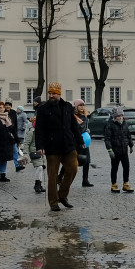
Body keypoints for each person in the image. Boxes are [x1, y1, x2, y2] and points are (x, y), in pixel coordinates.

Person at [34, 82, 84, 212]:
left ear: (59, 94)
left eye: (53, 93)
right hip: (52, 147)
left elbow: (74, 126)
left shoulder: (67, 107)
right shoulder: (43, 109)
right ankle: (53, 202)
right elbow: (39, 129)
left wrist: (80, 140)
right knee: (52, 175)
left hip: (68, 145)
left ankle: (62, 195)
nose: (51, 95)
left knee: (73, 169)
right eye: (49, 93)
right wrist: (40, 146)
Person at [103, 107, 135, 193]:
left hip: (124, 150)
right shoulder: (110, 125)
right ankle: (114, 184)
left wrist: (131, 145)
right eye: (118, 116)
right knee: (114, 168)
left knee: (126, 167)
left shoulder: (124, 123)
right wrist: (109, 150)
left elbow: (128, 135)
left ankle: (126, 184)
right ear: (114, 116)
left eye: (121, 115)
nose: (120, 117)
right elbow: (107, 139)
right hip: (115, 150)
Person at [21, 111, 45, 194]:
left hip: (43, 153)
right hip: (34, 152)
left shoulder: (44, 132)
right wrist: (25, 154)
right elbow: (26, 143)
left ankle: (40, 184)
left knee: (42, 169)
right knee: (39, 168)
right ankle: (37, 184)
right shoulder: (31, 131)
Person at [72, 99, 93, 187]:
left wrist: (87, 130)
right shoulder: (73, 116)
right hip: (76, 141)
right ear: (76, 107)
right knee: (72, 162)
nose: (82, 107)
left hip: (85, 141)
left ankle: (85, 180)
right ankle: (63, 178)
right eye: (80, 105)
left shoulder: (85, 116)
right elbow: (78, 129)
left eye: (83, 105)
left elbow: (85, 127)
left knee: (87, 161)